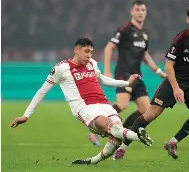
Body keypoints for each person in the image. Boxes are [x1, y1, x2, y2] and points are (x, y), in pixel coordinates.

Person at [113, 5, 189, 160]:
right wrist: (176, 88)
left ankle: (173, 142)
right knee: (150, 114)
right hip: (173, 82)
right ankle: (123, 147)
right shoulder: (180, 39)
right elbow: (168, 65)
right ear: (187, 20)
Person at [10, 38, 153, 165]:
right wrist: (26, 115)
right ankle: (137, 136)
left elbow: (102, 79)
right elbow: (42, 91)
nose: (89, 55)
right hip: (85, 108)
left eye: (91, 52)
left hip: (104, 104)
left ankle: (93, 161)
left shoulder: (92, 63)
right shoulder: (61, 68)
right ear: (76, 50)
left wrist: (126, 83)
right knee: (111, 127)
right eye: (86, 51)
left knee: (117, 138)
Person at [89, 0, 166, 148]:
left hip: (137, 75)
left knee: (145, 110)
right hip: (124, 73)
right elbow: (108, 48)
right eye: (137, 10)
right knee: (122, 104)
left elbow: (145, 55)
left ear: (146, 12)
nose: (140, 12)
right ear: (131, 11)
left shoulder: (145, 34)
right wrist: (106, 71)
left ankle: (121, 131)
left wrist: (157, 70)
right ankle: (95, 127)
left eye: (143, 10)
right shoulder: (125, 29)